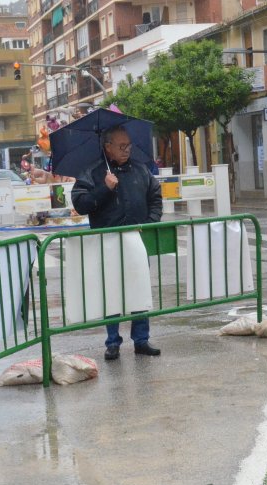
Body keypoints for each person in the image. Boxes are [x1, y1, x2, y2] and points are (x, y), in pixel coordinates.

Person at [71, 125, 163, 361]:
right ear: (107, 147)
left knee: (139, 288)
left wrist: (150, 222)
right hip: (107, 241)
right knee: (111, 292)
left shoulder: (141, 170)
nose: (126, 150)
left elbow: (155, 197)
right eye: (121, 146)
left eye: (128, 145)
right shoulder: (92, 172)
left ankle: (141, 340)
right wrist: (105, 187)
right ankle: (113, 342)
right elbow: (81, 204)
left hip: (136, 238)